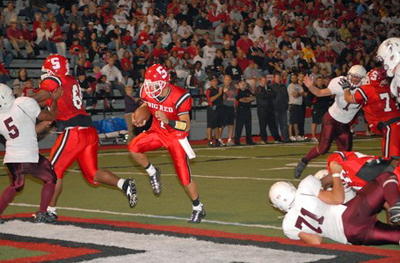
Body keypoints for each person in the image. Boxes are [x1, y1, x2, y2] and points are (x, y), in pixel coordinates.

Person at [31, 54, 137, 221]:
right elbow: (55, 109)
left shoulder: (56, 81)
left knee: (53, 172)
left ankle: (48, 211)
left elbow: (43, 95)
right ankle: (123, 183)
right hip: (89, 130)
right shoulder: (71, 80)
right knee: (92, 172)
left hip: (74, 131)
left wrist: (23, 100)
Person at [129, 64, 206, 223]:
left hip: (176, 137)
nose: (150, 88)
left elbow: (186, 126)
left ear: (165, 83)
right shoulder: (147, 91)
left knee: (184, 177)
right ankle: (152, 171)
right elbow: (146, 105)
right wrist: (140, 116)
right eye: (148, 84)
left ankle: (198, 206)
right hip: (157, 132)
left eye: (154, 84)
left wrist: (169, 121)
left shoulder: (180, 96)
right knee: (133, 147)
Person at [269, 159, 400, 245]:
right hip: (350, 217)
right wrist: (336, 174)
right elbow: (338, 199)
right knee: (386, 177)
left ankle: (394, 211)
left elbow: (316, 241)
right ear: (291, 188)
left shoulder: (287, 226)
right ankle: (396, 207)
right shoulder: (304, 188)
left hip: (351, 237)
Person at [294, 65, 367, 179]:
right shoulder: (340, 82)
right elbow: (319, 93)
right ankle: (304, 161)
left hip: (345, 124)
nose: (355, 80)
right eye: (353, 76)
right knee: (323, 148)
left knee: (346, 154)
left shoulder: (365, 89)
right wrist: (310, 86)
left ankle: (341, 178)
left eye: (358, 77)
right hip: (332, 119)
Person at [0, 84, 57, 223]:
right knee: (51, 178)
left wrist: (43, 125)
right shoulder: (22, 103)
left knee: (16, 186)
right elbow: (50, 115)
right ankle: (42, 213)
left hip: (12, 157)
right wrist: (54, 100)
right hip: (29, 155)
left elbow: (25, 130)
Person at [343, 67, 400, 158]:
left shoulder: (366, 89)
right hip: (395, 121)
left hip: (389, 125)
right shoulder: (386, 87)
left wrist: (346, 88)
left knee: (390, 158)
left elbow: (348, 99)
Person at [255, 76, 281, 144]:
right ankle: (264, 139)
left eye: (265, 80)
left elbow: (274, 94)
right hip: (262, 109)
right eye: (263, 80)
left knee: (273, 124)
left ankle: (277, 138)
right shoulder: (258, 88)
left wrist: (267, 93)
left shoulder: (269, 88)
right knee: (263, 125)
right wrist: (268, 93)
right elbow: (262, 96)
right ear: (260, 81)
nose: (264, 82)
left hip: (270, 109)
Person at [235, 79, 255, 146]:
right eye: (242, 83)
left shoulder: (247, 91)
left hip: (247, 109)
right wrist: (247, 99)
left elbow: (253, 98)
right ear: (239, 84)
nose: (243, 85)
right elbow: (241, 100)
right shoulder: (238, 91)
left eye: (244, 83)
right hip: (240, 110)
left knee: (248, 126)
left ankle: (249, 141)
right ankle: (237, 141)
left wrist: (246, 99)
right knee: (239, 126)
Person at [270, 73, 289, 142]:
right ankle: (277, 138)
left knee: (284, 124)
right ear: (274, 79)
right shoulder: (271, 87)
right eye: (277, 77)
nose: (278, 79)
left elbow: (286, 96)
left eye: (279, 77)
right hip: (275, 108)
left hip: (283, 108)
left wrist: (286, 104)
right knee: (276, 124)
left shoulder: (283, 86)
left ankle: (286, 138)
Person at [205, 76, 223, 147]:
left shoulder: (219, 89)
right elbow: (211, 100)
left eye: (215, 81)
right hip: (212, 108)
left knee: (218, 125)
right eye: (213, 81)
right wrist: (219, 94)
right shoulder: (209, 90)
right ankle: (209, 141)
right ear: (210, 82)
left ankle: (217, 140)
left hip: (219, 108)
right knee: (210, 125)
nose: (215, 82)